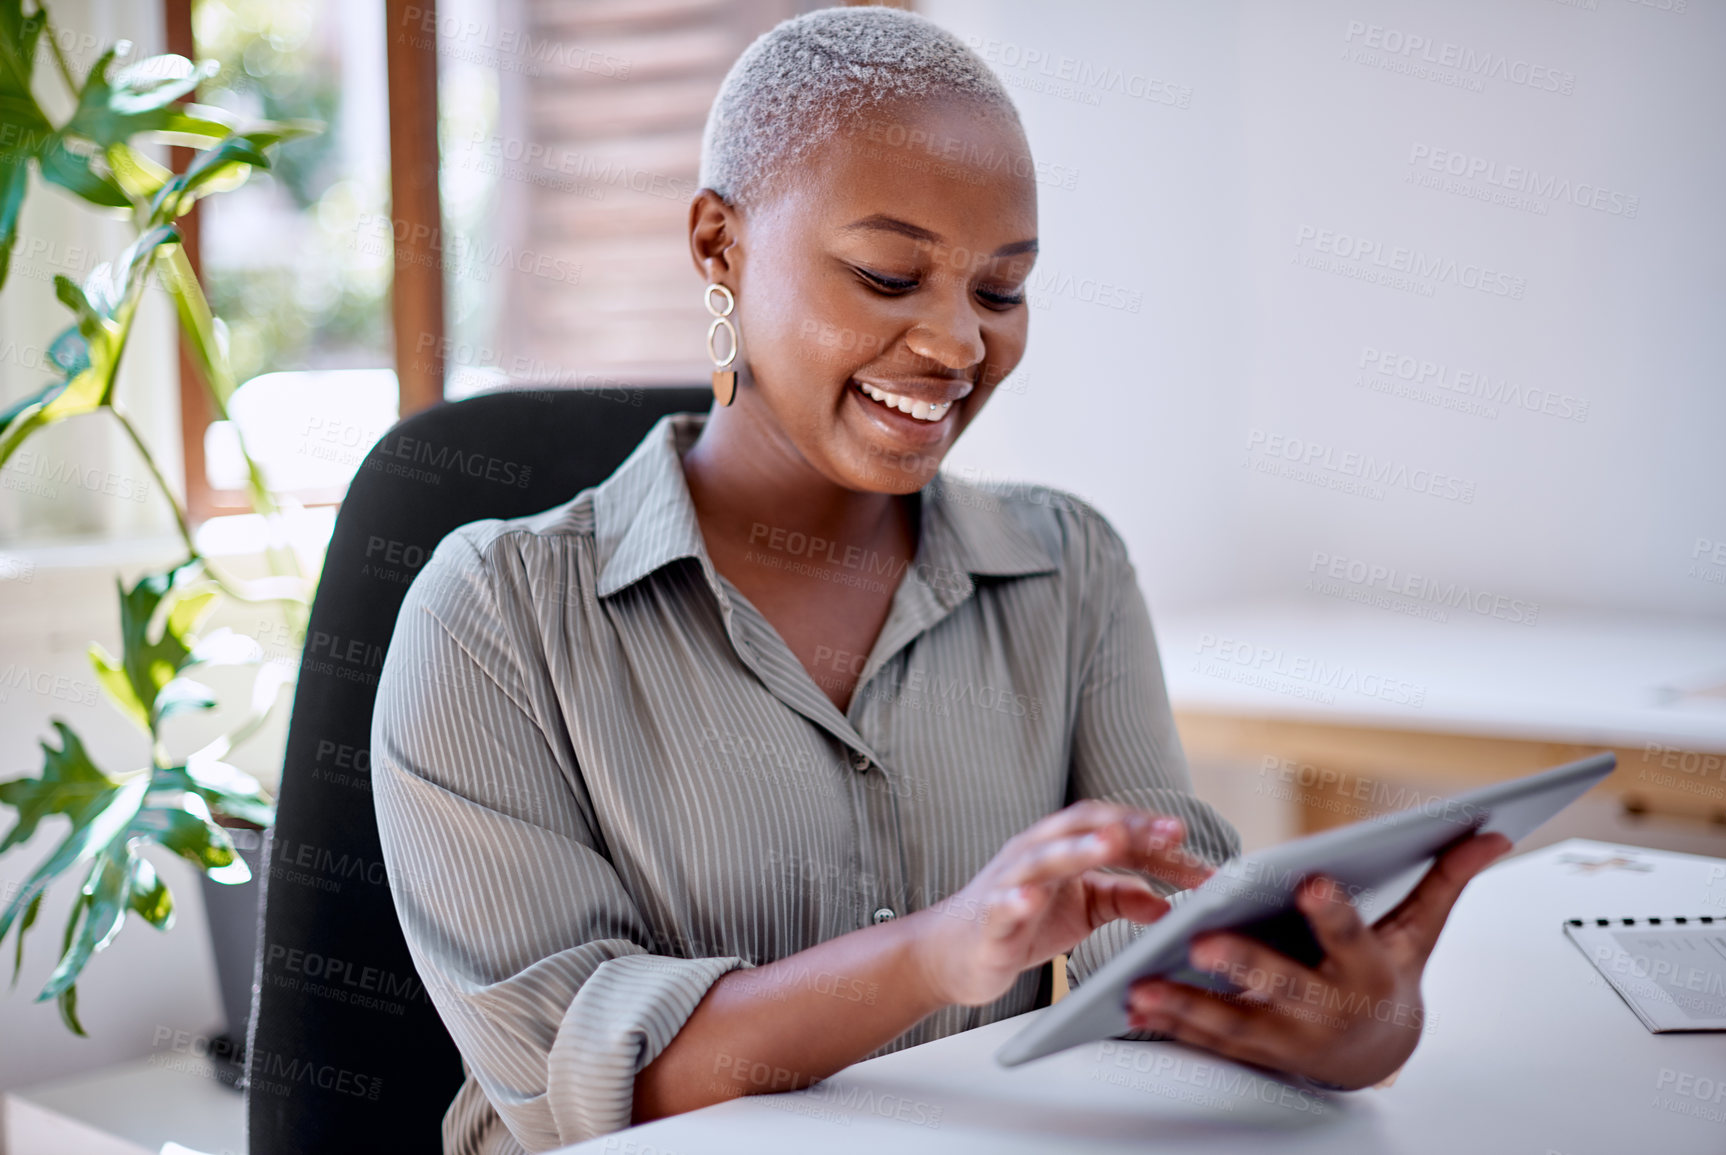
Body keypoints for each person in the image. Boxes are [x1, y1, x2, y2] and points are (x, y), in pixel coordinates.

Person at [371, 8, 1509, 1154]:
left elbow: (1162, 963)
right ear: (719, 245)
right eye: (887, 273)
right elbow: (580, 1079)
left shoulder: (1068, 570)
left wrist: (1342, 1026)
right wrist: (936, 951)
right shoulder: (493, 618)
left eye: (1001, 291)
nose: (960, 343)